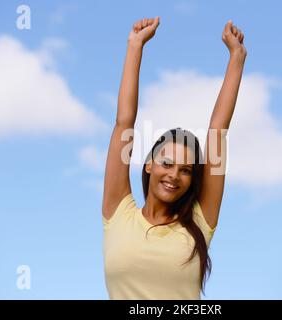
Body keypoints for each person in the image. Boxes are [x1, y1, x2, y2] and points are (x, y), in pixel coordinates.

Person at [102, 16, 247, 299]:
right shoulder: (118, 212)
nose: (173, 175)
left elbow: (217, 132)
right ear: (149, 165)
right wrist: (135, 46)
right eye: (167, 163)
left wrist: (236, 57)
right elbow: (124, 123)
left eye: (185, 170)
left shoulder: (199, 221)